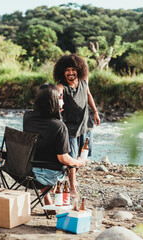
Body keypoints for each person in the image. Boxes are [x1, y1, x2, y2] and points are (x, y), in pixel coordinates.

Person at [23, 83, 87, 208]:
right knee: (70, 163)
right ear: (54, 102)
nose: (62, 101)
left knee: (42, 154)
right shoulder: (59, 126)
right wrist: (79, 162)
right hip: (46, 177)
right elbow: (63, 158)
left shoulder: (27, 117)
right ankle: (55, 197)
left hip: (23, 171)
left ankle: (47, 198)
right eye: (60, 97)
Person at [53, 53, 100, 198]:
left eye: (73, 69)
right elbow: (58, 93)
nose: (71, 73)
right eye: (67, 70)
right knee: (72, 158)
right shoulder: (61, 86)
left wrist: (95, 111)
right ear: (63, 71)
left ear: (79, 70)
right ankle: (73, 188)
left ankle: (68, 179)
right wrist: (59, 99)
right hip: (70, 128)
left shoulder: (84, 80)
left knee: (83, 158)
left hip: (86, 124)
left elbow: (88, 94)